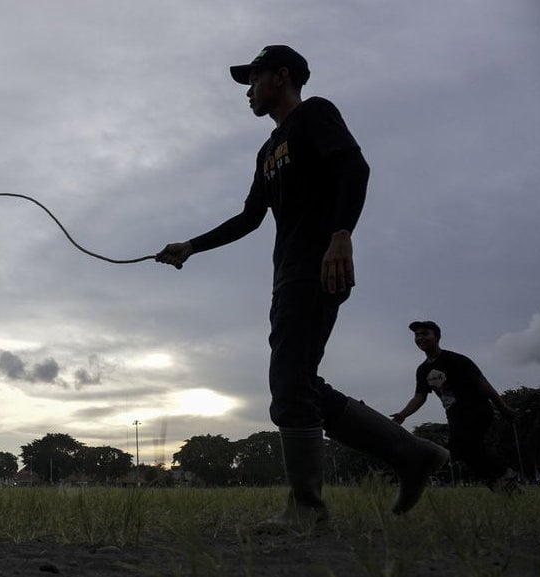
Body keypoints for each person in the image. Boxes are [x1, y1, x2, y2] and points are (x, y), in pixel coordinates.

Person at [155, 45, 448, 525]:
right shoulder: (268, 150)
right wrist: (191, 245)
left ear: (281, 76)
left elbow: (355, 168)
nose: (247, 91)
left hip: (319, 267)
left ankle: (306, 508)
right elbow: (251, 217)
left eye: (253, 79)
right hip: (287, 272)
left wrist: (340, 236)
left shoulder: (316, 113)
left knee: (289, 384)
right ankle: (412, 454)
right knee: (300, 383)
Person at [392, 321, 518, 492]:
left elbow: (484, 385)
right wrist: (403, 414)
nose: (420, 338)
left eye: (425, 333)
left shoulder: (456, 360)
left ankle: (503, 473)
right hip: (455, 416)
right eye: (417, 335)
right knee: (462, 452)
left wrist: (503, 408)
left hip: (477, 410)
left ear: (436, 337)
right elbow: (420, 397)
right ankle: (502, 482)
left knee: (467, 447)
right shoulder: (423, 370)